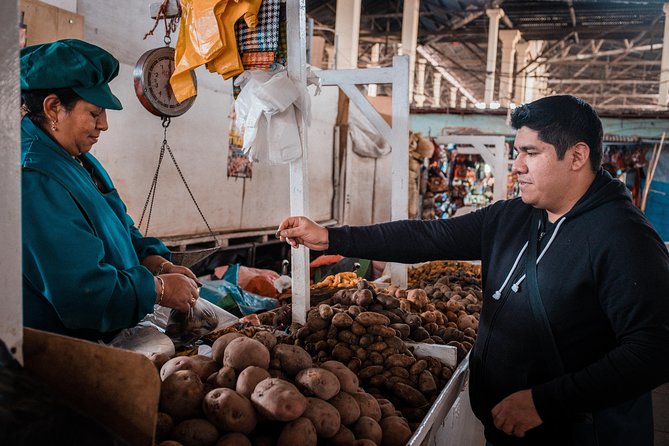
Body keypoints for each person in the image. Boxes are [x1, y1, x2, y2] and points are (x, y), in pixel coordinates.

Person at [277, 95, 669, 446]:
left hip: (580, 431)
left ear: (577, 156)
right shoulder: (515, 216)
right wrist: (332, 238)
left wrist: (544, 402)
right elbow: (430, 237)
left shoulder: (624, 238)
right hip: (510, 426)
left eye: (530, 153)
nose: (517, 166)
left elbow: (654, 350)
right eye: (516, 152)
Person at [21, 39, 200, 342]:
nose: (103, 124)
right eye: (94, 113)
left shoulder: (78, 160)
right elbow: (82, 292)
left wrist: (153, 259)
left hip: (108, 329)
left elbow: (118, 223)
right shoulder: (33, 177)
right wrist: (159, 289)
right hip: (64, 349)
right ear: (53, 108)